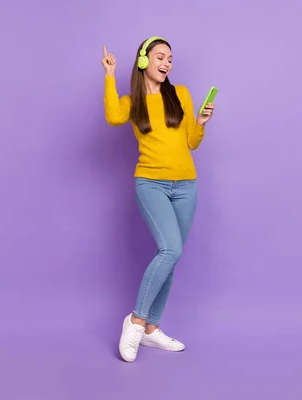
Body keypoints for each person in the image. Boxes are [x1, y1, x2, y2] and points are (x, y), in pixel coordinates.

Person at [101, 36, 215, 362]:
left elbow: (191, 142)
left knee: (171, 257)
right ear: (143, 61)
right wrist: (110, 75)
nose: (166, 63)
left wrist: (202, 124)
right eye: (160, 57)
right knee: (171, 249)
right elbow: (112, 116)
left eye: (170, 59)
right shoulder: (132, 102)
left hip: (186, 185)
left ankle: (152, 330)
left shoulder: (180, 94)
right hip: (151, 183)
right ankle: (135, 322)